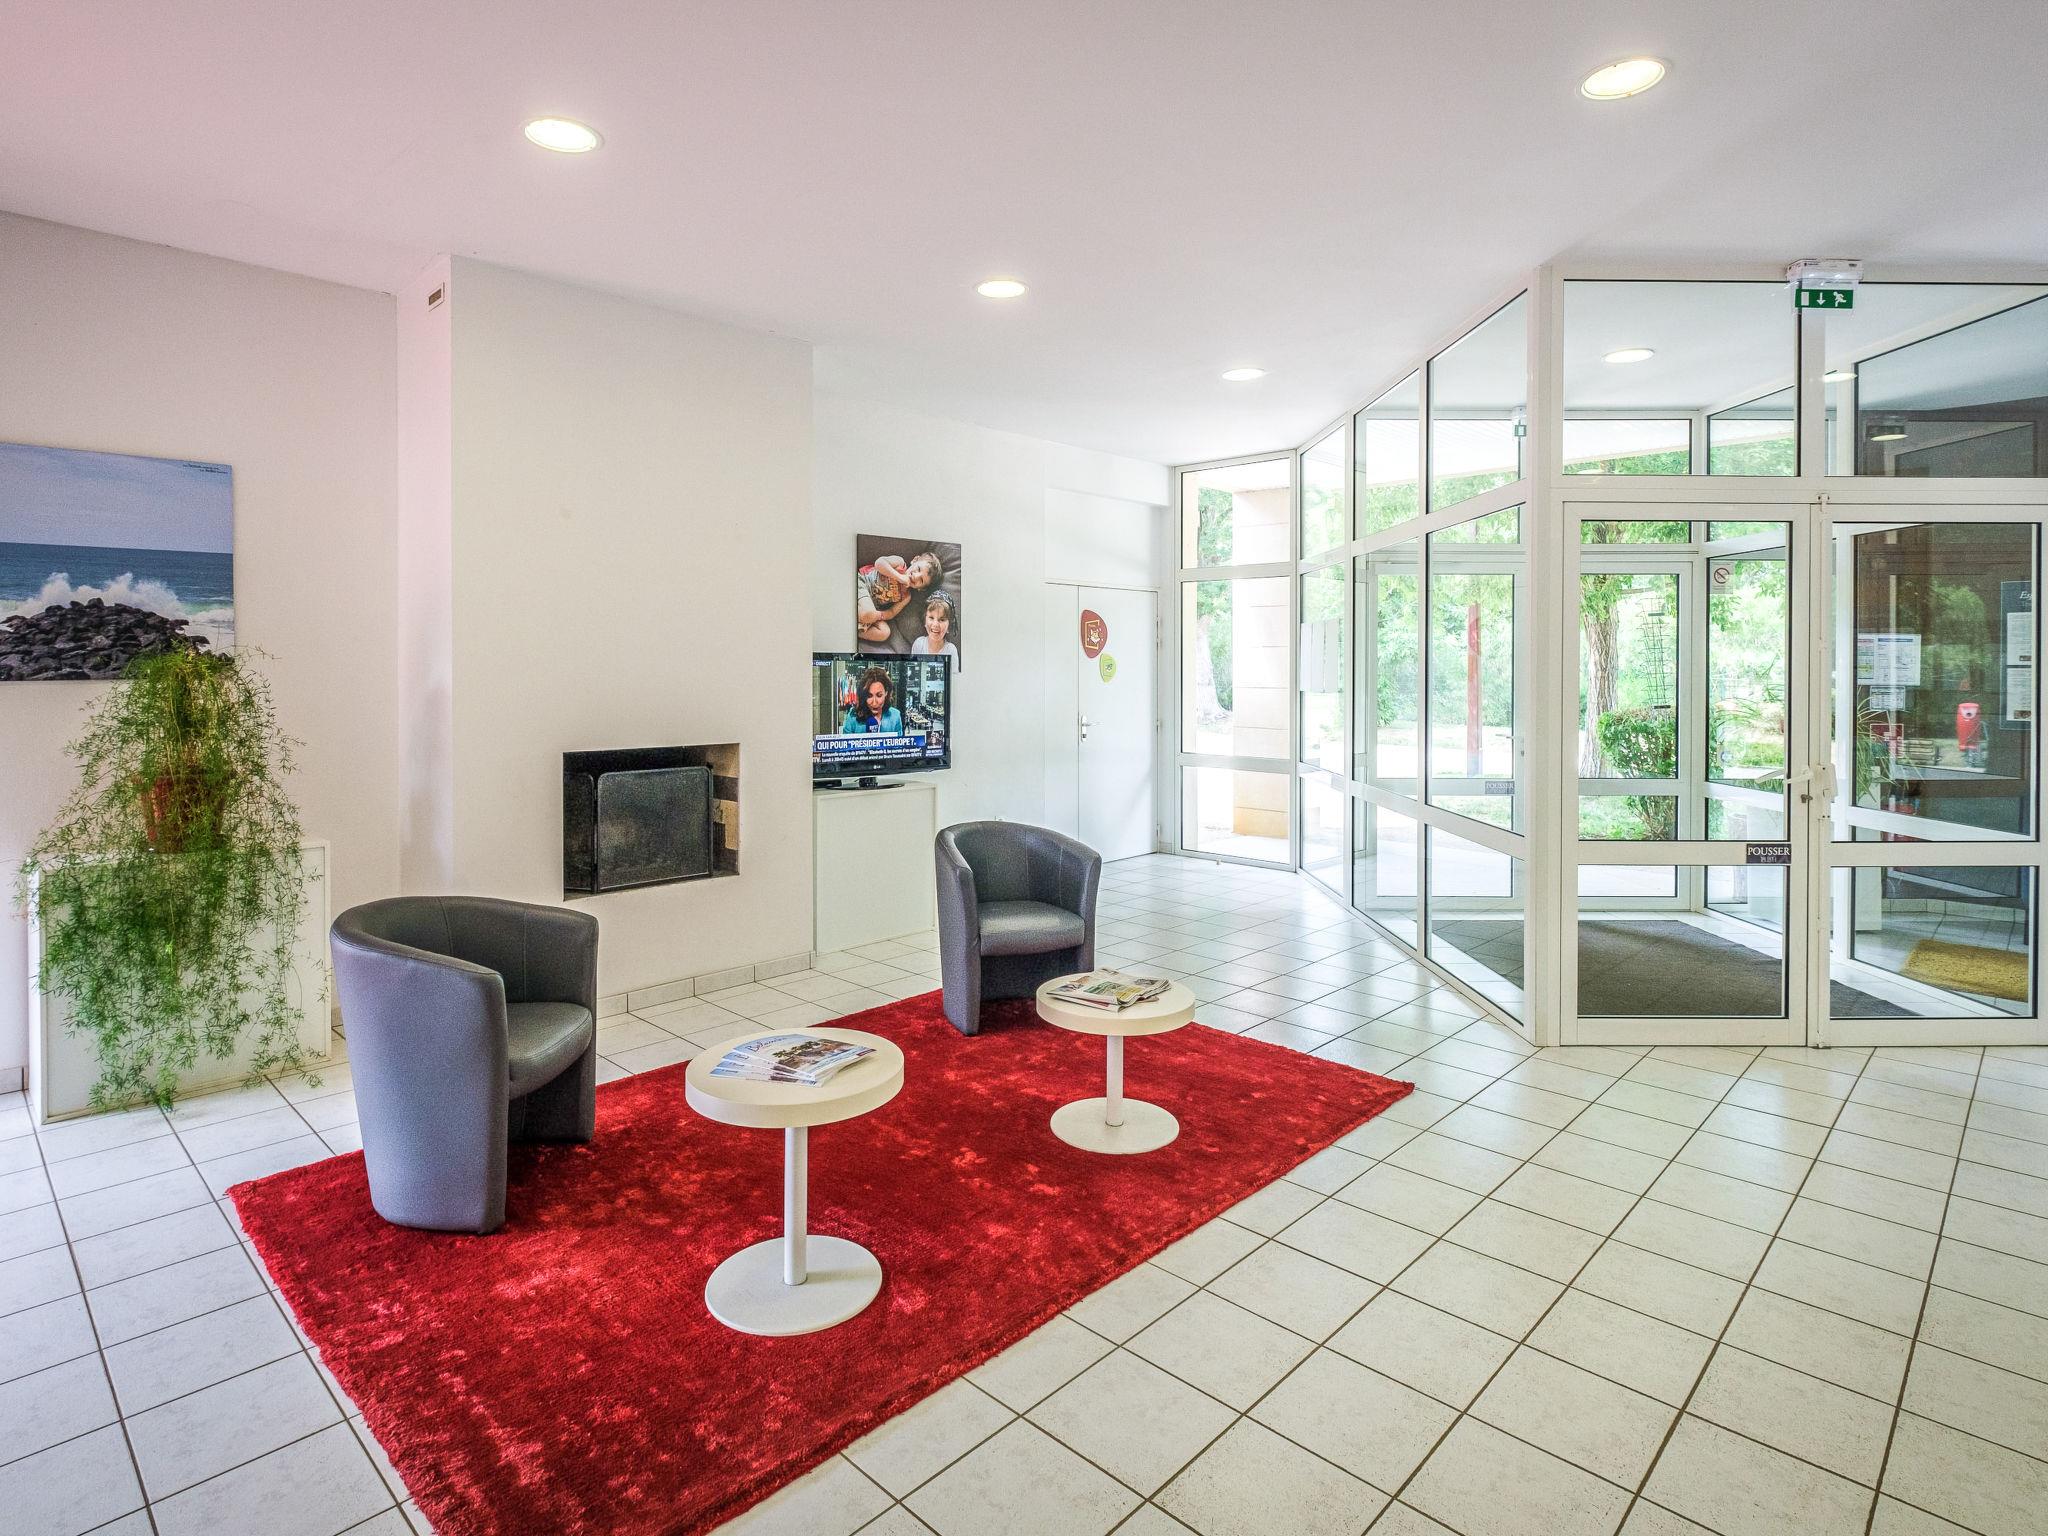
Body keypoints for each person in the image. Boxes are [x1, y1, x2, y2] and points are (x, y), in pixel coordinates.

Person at [856, 555, 913, 644]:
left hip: (872, 608)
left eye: (921, 580)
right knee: (868, 613)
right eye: (918, 569)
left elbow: (892, 612)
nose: (916, 576)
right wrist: (900, 577)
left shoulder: (906, 596)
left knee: (884, 633)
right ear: (915, 560)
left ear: (921, 588)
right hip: (863, 583)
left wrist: (878, 615)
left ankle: (855, 631)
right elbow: (879, 563)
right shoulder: (900, 564)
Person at [841, 665, 903, 734]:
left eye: (879, 695)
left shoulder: (895, 716)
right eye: (869, 696)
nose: (874, 703)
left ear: (886, 693)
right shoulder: (853, 716)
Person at [910, 591, 958, 659]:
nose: (935, 624)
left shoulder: (951, 650)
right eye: (931, 618)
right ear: (925, 622)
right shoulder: (919, 644)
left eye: (942, 620)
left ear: (949, 626)